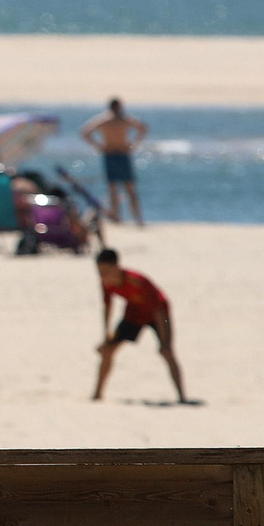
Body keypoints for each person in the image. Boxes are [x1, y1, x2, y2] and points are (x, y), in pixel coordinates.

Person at [92, 249, 186, 403]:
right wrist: (106, 334)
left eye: (106, 272)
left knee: (167, 351)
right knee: (108, 350)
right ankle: (97, 394)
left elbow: (158, 309)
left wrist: (164, 341)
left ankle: (182, 397)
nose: (103, 276)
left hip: (160, 313)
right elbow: (108, 306)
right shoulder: (105, 283)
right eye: (100, 272)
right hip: (134, 312)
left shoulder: (136, 281)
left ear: (117, 267)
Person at [80, 98, 149, 226]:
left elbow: (143, 128)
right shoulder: (107, 120)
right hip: (111, 153)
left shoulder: (123, 119)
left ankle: (137, 218)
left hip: (121, 153)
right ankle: (118, 217)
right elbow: (85, 132)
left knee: (129, 188)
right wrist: (98, 146)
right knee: (114, 188)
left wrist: (134, 144)